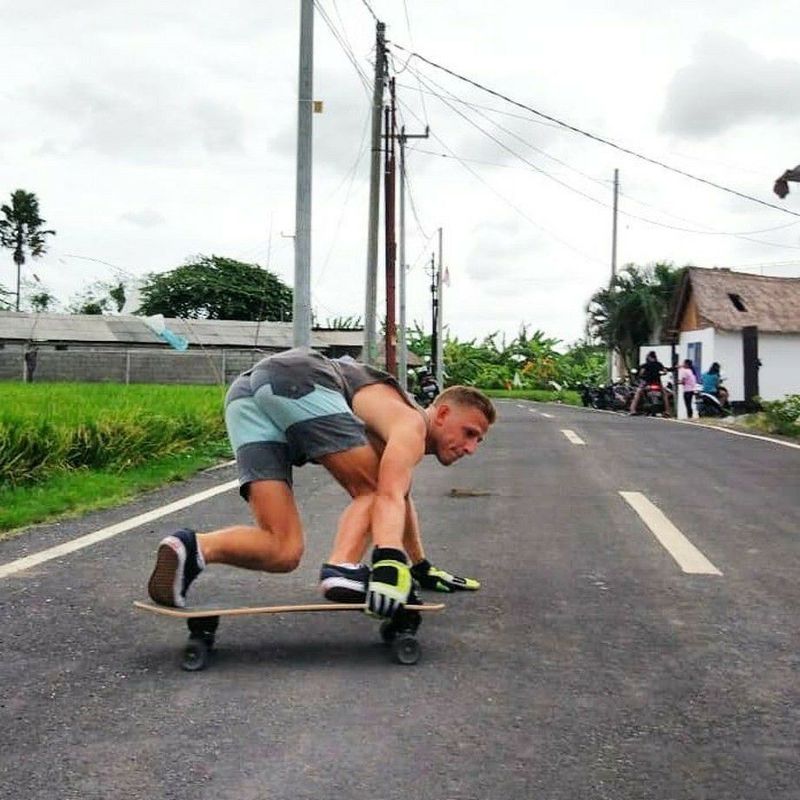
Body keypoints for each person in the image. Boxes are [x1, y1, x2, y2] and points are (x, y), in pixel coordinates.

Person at [147, 347, 496, 618]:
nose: (470, 448)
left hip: (247, 396)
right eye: (470, 433)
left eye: (478, 441)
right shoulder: (411, 422)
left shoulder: (392, 425)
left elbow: (400, 496)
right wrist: (389, 561)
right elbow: (386, 494)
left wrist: (418, 565)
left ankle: (192, 549)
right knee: (373, 490)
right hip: (298, 378)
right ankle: (343, 566)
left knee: (283, 548)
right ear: (444, 413)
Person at [628, 351, 670, 416]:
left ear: (649, 357)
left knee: (638, 393)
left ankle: (632, 409)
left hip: (646, 382)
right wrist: (661, 374)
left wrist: (640, 376)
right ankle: (667, 411)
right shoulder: (659, 364)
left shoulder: (646, 364)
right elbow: (665, 371)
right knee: (664, 394)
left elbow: (641, 373)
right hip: (657, 382)